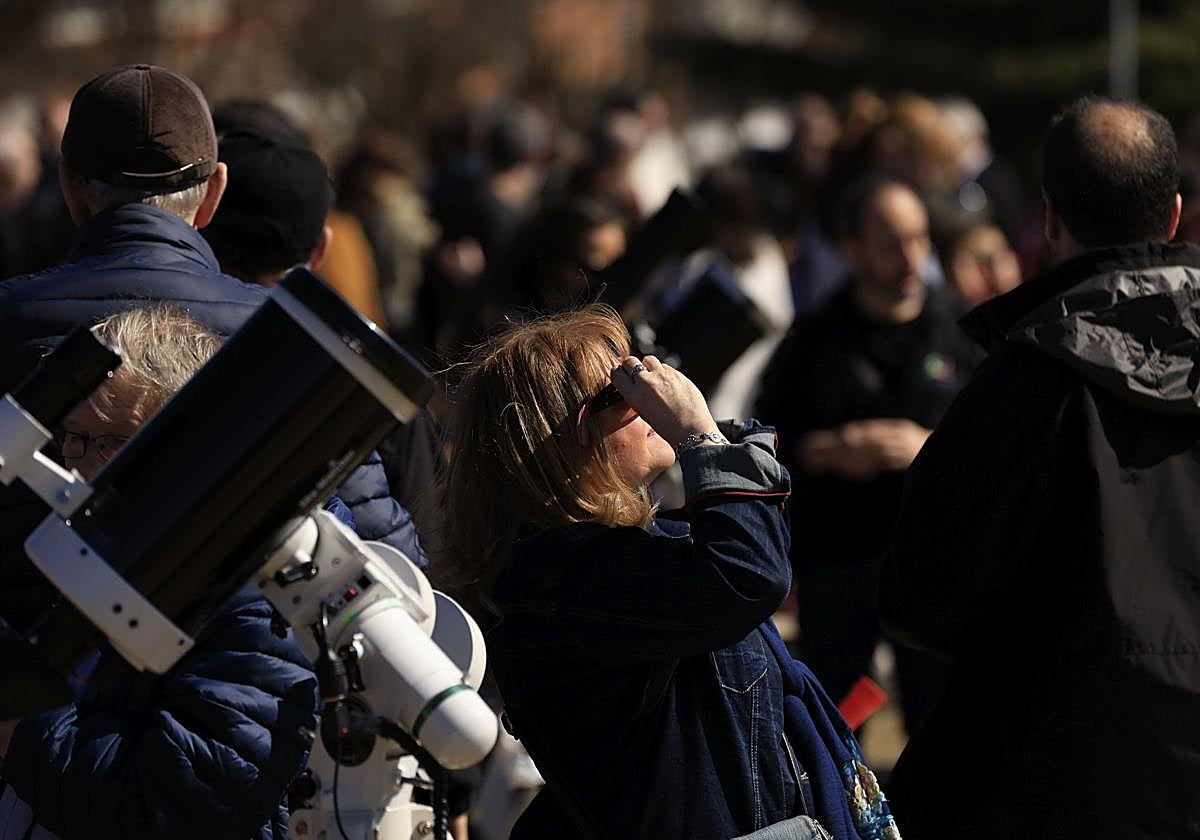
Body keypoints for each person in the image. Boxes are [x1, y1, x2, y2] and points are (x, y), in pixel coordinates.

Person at [439, 304, 899, 839]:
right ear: (570, 440)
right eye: (622, 391)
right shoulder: (558, 583)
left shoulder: (632, 553)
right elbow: (746, 574)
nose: (646, 399)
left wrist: (714, 446)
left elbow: (749, 546)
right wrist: (699, 437)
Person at [879, 97, 1200, 838]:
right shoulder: (1028, 379)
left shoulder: (1023, 385)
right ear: (1175, 214)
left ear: (1049, 219)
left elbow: (925, 595)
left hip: (1065, 776)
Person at [0, 68, 416, 635]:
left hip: (26, 696)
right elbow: (386, 565)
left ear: (71, 187)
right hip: (244, 700)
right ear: (214, 193)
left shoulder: (8, 318)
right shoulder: (293, 346)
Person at [0, 307, 321, 839]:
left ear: (187, 442)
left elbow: (179, 802)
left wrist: (17, 732)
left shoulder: (262, 588)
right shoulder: (119, 547)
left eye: (111, 443)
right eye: (74, 438)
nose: (79, 467)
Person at [755, 175, 982, 737]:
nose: (910, 256)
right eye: (890, 242)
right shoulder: (815, 338)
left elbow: (1003, 442)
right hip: (838, 564)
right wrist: (825, 451)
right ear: (852, 249)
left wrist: (927, 447)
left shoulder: (964, 331)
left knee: (943, 727)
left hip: (933, 563)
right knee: (831, 725)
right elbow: (764, 434)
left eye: (919, 239)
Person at [201, 110, 427, 563]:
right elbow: (422, 541)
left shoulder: (150, 335)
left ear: (201, 220)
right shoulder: (377, 385)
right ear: (321, 248)